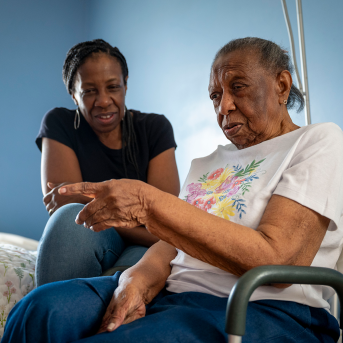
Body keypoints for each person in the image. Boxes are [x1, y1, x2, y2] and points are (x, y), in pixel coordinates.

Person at [4, 37, 343, 343]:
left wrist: (148, 203)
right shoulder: (208, 162)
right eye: (215, 95)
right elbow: (171, 245)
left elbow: (277, 258)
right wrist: (136, 280)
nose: (223, 106)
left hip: (264, 309)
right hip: (174, 295)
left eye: (237, 87)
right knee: (39, 311)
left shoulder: (317, 141)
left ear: (282, 85)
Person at [34, 39, 180, 286]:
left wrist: (84, 199)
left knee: (141, 267)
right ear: (73, 94)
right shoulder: (59, 123)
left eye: (113, 87)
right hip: (99, 235)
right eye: (89, 91)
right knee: (69, 220)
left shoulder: (155, 128)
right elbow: (66, 207)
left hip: (143, 244)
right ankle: (55, 316)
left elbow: (164, 221)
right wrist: (131, 213)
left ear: (125, 85)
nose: (103, 101)